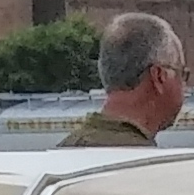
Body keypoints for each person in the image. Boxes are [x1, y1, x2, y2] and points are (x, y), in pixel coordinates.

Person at [62, 13, 186, 148]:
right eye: (182, 74)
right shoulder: (147, 163)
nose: (184, 86)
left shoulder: (64, 150)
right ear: (159, 76)